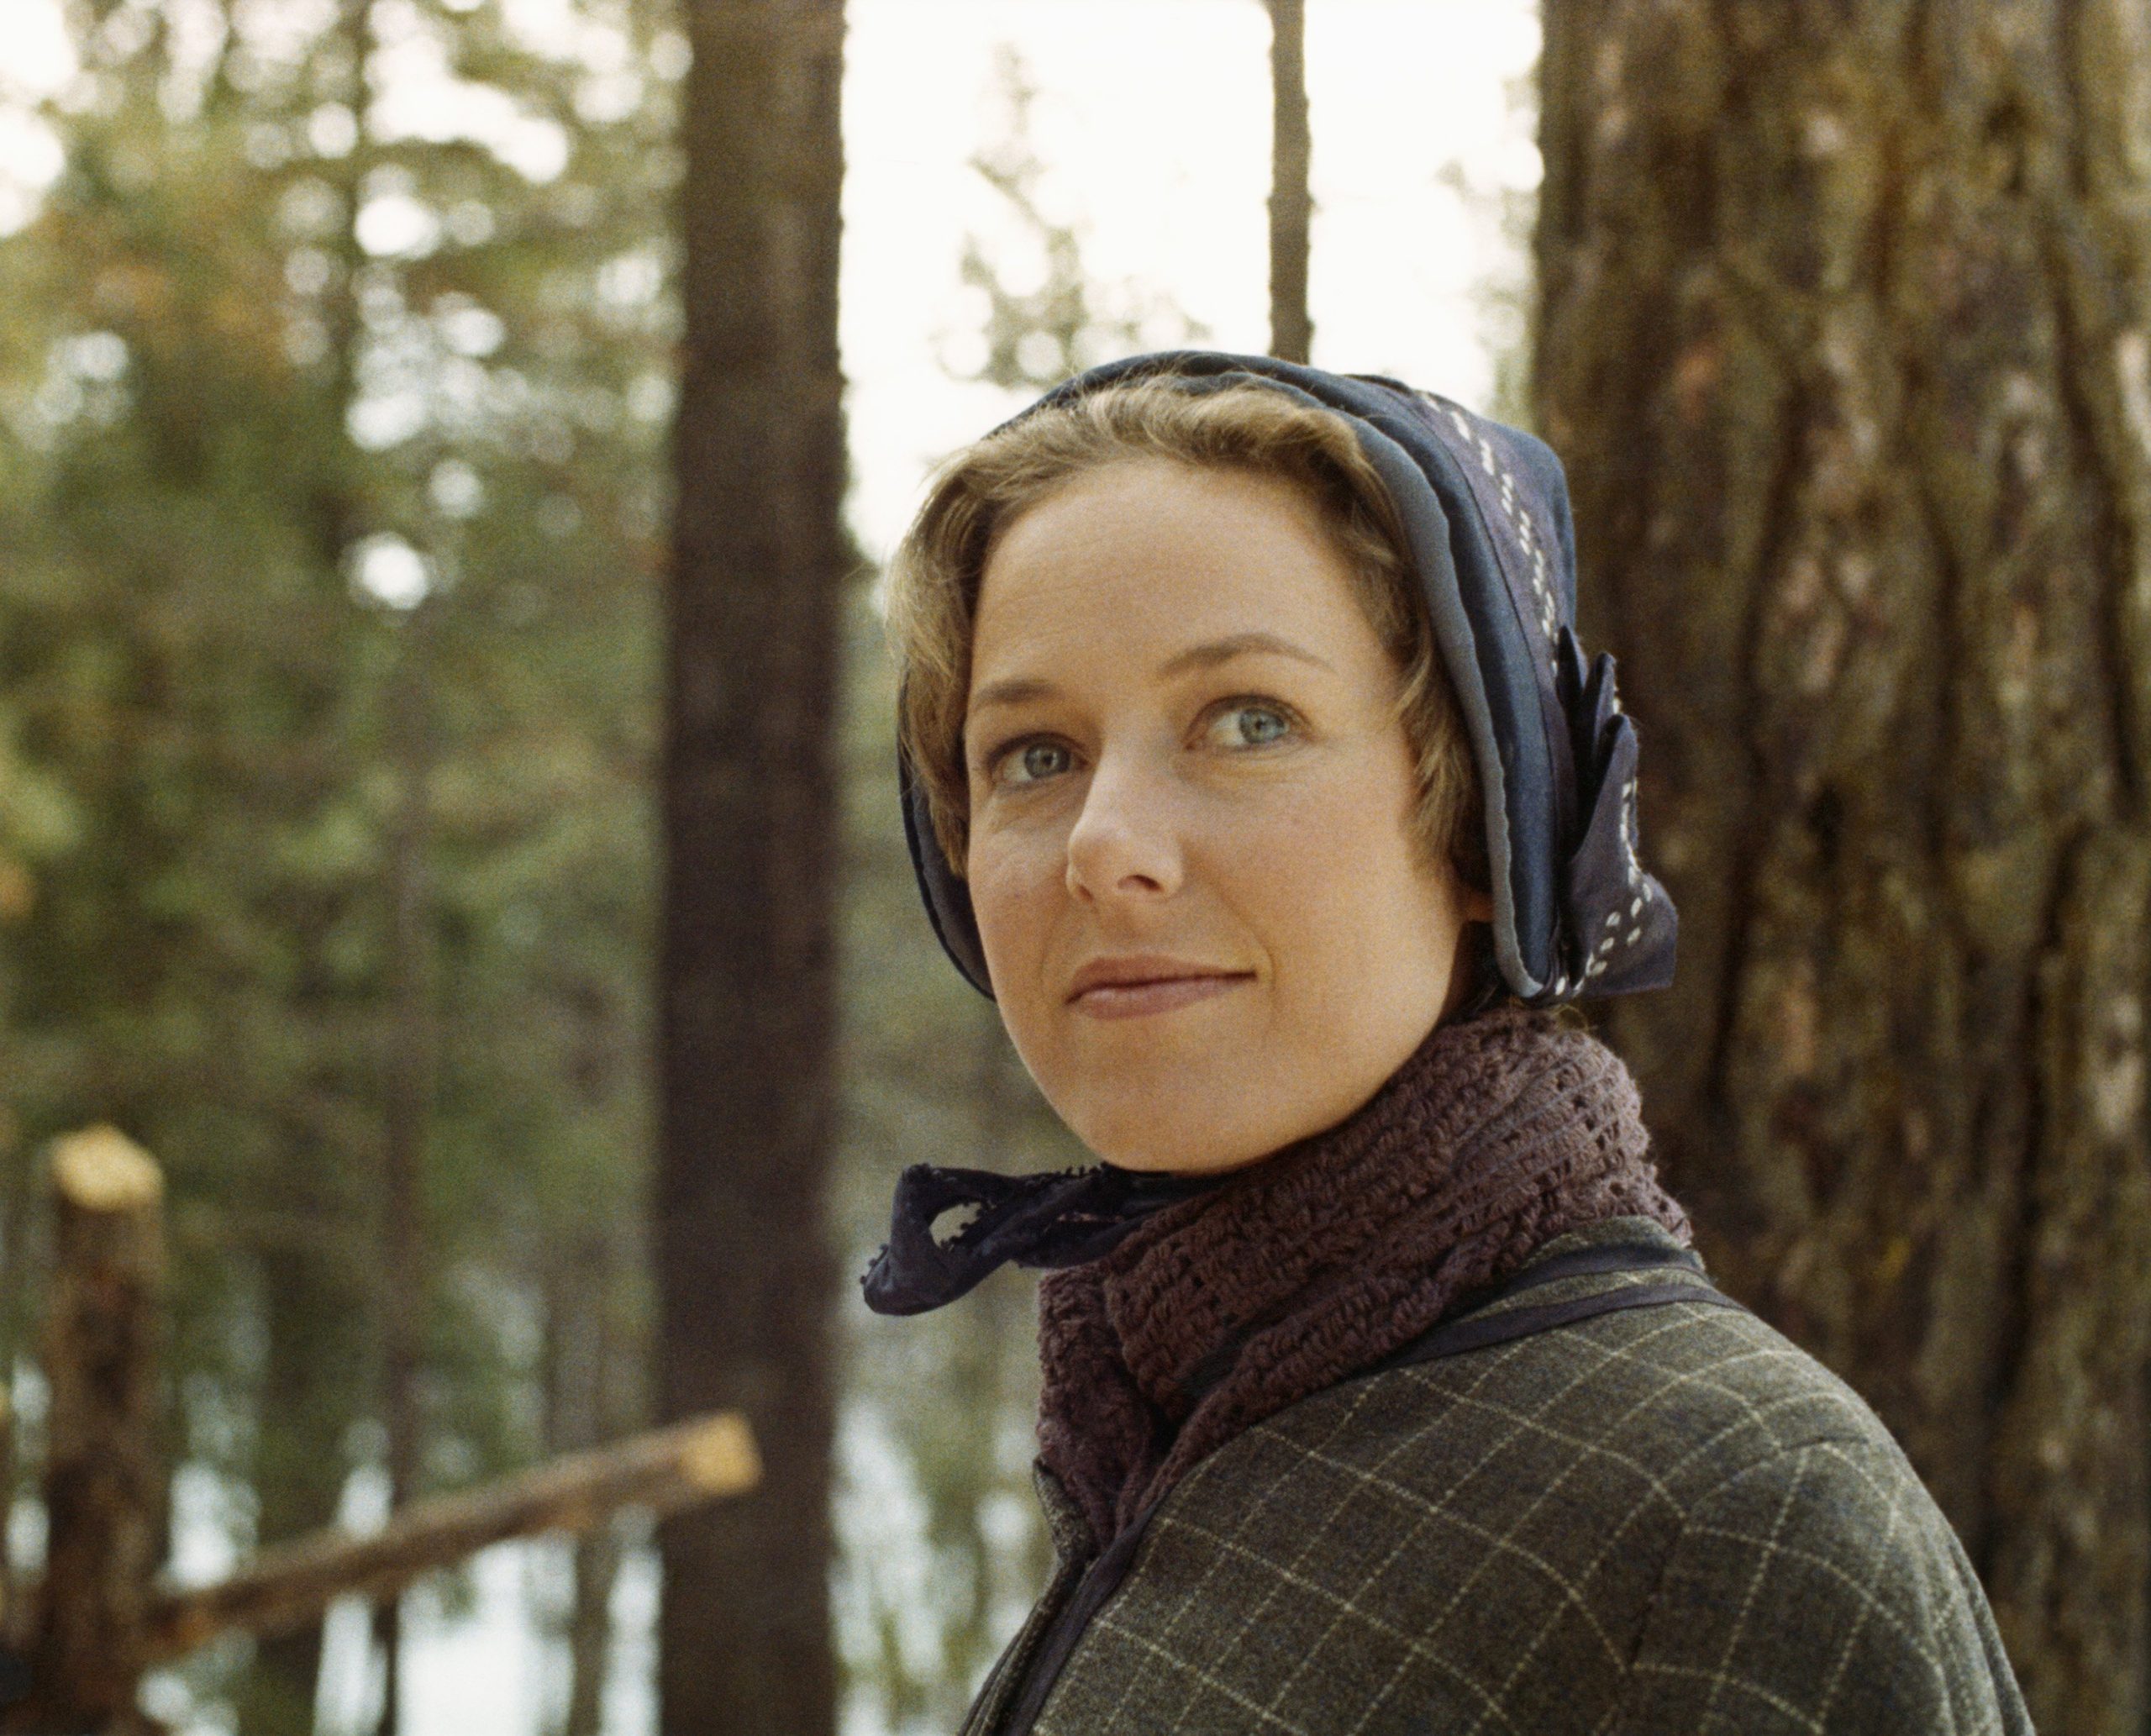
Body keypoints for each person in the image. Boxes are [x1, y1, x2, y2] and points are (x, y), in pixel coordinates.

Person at [860, 352, 2032, 1735]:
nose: (1106, 844)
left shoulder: (1739, 1518)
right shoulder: (1159, 1435)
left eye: (1249, 722)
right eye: (1036, 754)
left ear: (1480, 821)